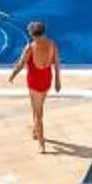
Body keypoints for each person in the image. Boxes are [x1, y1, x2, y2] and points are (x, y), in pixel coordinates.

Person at [18, 19, 61, 153]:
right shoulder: (52, 44)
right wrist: (57, 81)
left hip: (34, 81)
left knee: (38, 113)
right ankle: (35, 132)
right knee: (37, 107)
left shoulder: (30, 47)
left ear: (32, 34)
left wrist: (12, 75)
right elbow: (57, 63)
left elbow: (20, 64)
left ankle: (42, 144)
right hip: (47, 79)